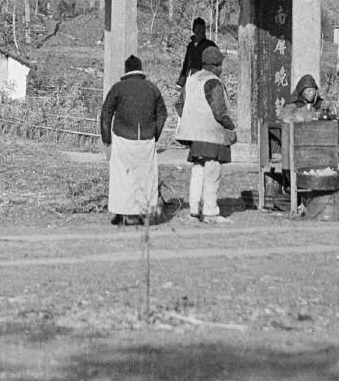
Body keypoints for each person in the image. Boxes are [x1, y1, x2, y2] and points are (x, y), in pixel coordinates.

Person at [99, 54, 168, 227]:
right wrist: (154, 133)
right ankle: (143, 214)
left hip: (123, 138)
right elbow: (162, 113)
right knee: (146, 177)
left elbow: (106, 114)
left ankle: (122, 213)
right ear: (140, 69)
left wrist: (106, 138)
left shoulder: (118, 88)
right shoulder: (152, 89)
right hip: (146, 139)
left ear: (126, 70)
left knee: (122, 176)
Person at [176, 45, 238, 224]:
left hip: (195, 136)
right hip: (212, 136)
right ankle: (211, 212)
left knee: (197, 171)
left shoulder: (192, 79)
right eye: (221, 65)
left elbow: (179, 106)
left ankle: (194, 211)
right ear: (216, 65)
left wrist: (192, 121)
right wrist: (231, 127)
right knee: (212, 173)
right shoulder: (213, 82)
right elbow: (220, 112)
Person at [176, 18, 219, 88]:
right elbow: (186, 64)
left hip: (203, 82)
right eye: (199, 28)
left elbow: (217, 64)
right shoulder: (190, 46)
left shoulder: (210, 45)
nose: (201, 31)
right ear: (194, 30)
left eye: (203, 29)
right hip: (189, 80)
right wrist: (182, 79)